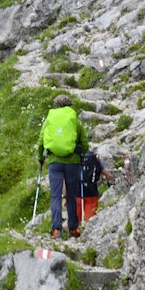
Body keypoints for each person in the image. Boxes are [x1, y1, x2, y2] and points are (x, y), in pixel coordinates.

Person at [38, 94, 88, 240]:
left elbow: (41, 141)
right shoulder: (74, 120)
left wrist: (40, 158)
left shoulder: (49, 119)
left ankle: (56, 230)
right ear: (69, 105)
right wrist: (82, 156)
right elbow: (84, 142)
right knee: (71, 195)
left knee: (55, 196)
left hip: (54, 162)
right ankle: (73, 228)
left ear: (55, 105)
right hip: (72, 162)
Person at [77, 147, 113, 223]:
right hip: (91, 193)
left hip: (76, 194)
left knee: (76, 222)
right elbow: (108, 175)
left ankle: (76, 233)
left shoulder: (73, 157)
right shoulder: (94, 158)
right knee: (90, 221)